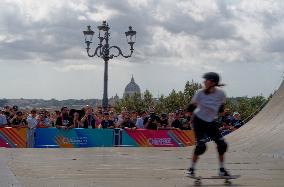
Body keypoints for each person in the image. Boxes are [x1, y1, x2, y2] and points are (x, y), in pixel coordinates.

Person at [186, 72, 230, 177]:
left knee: (222, 145)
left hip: (211, 122)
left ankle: (222, 170)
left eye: (206, 80)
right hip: (198, 121)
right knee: (201, 146)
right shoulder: (200, 93)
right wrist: (190, 117)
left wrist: (223, 114)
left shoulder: (221, 94)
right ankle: (191, 168)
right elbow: (190, 108)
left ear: (212, 82)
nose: (204, 82)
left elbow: (221, 108)